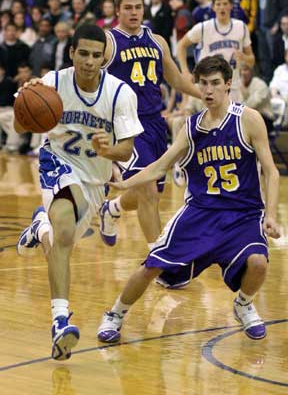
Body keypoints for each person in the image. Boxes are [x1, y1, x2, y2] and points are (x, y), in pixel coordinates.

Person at [96, 55, 280, 343]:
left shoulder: (248, 119)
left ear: (228, 84)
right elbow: (160, 166)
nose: (208, 90)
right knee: (151, 266)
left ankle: (243, 304)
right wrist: (124, 184)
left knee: (258, 263)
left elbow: (271, 171)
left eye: (215, 84)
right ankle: (115, 314)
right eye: (203, 83)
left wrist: (270, 215)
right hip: (201, 212)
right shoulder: (192, 127)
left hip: (243, 213)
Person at [15, 24, 143, 360]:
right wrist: (26, 99)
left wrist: (109, 149)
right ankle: (59, 320)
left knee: (63, 239)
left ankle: (40, 226)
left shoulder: (120, 93)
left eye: (95, 55)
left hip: (95, 180)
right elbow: (19, 125)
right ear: (71, 53)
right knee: (68, 231)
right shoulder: (53, 83)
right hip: (57, 162)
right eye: (82, 53)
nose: (88, 61)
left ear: (104, 57)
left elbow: (127, 150)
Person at [99, 0, 200, 288]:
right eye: (128, 7)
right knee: (148, 193)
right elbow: (85, 75)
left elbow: (176, 79)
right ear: (117, 10)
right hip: (127, 126)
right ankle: (160, 263)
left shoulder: (156, 41)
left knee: (148, 191)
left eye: (138, 7)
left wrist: (210, 97)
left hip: (155, 124)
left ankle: (112, 208)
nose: (134, 13)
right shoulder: (108, 41)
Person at [177, 0, 255, 102]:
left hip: (233, 88)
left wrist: (244, 57)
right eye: (218, 4)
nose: (222, 7)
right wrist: (185, 72)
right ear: (213, 7)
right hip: (208, 88)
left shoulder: (241, 27)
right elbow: (181, 46)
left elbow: (252, 61)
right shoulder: (203, 27)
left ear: (231, 6)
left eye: (225, 3)